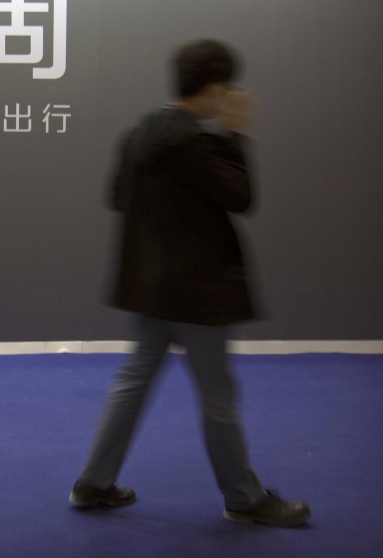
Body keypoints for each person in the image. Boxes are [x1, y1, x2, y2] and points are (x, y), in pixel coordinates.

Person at [69, 39, 310, 527]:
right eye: (228, 90)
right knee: (217, 397)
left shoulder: (137, 135)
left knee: (132, 383)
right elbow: (240, 197)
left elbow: (118, 198)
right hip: (199, 295)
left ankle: (93, 484)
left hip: (150, 289)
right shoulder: (197, 144)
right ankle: (244, 499)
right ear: (215, 88)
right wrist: (236, 134)